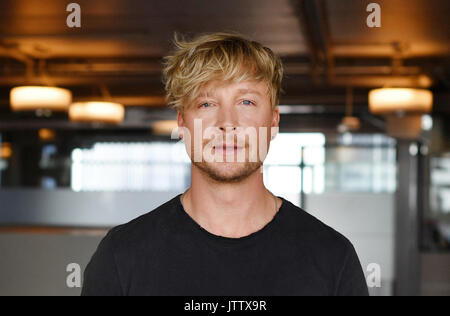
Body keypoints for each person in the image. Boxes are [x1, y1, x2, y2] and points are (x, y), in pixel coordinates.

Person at [81, 32, 369, 296]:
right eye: (206, 104)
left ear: (273, 122)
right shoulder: (121, 256)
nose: (227, 123)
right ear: (182, 122)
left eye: (246, 102)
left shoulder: (333, 258)